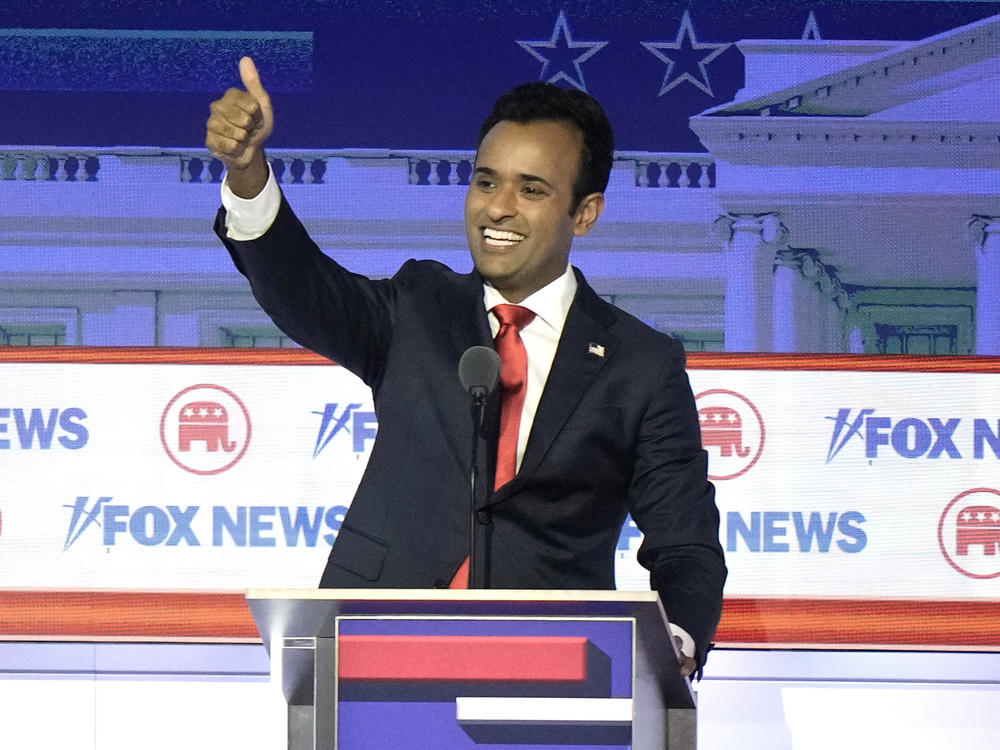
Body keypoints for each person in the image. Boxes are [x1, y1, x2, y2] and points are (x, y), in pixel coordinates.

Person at [207, 57, 726, 676]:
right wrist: (247, 174)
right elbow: (303, 290)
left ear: (585, 212)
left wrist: (678, 641)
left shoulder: (640, 363)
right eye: (486, 182)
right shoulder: (419, 307)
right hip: (374, 649)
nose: (498, 208)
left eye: (531, 190)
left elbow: (685, 542)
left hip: (554, 671)